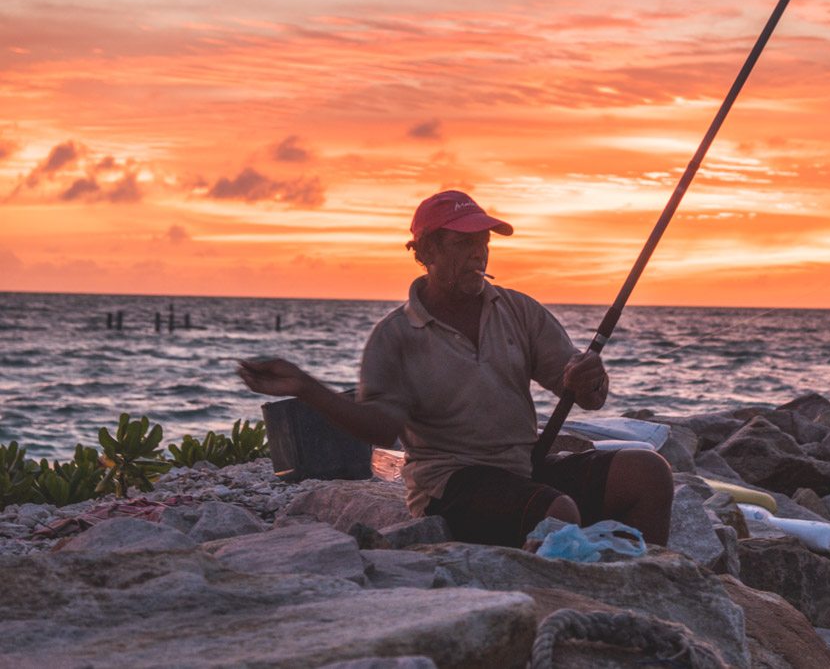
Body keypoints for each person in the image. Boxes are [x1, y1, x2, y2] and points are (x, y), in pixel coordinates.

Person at [238, 190, 673, 548]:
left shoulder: (518, 310)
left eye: (483, 242)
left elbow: (587, 395)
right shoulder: (395, 336)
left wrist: (589, 378)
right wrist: (307, 388)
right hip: (451, 487)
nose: (478, 254)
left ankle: (656, 582)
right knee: (557, 512)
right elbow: (378, 426)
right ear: (425, 250)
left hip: (524, 468)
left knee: (648, 472)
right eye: (463, 243)